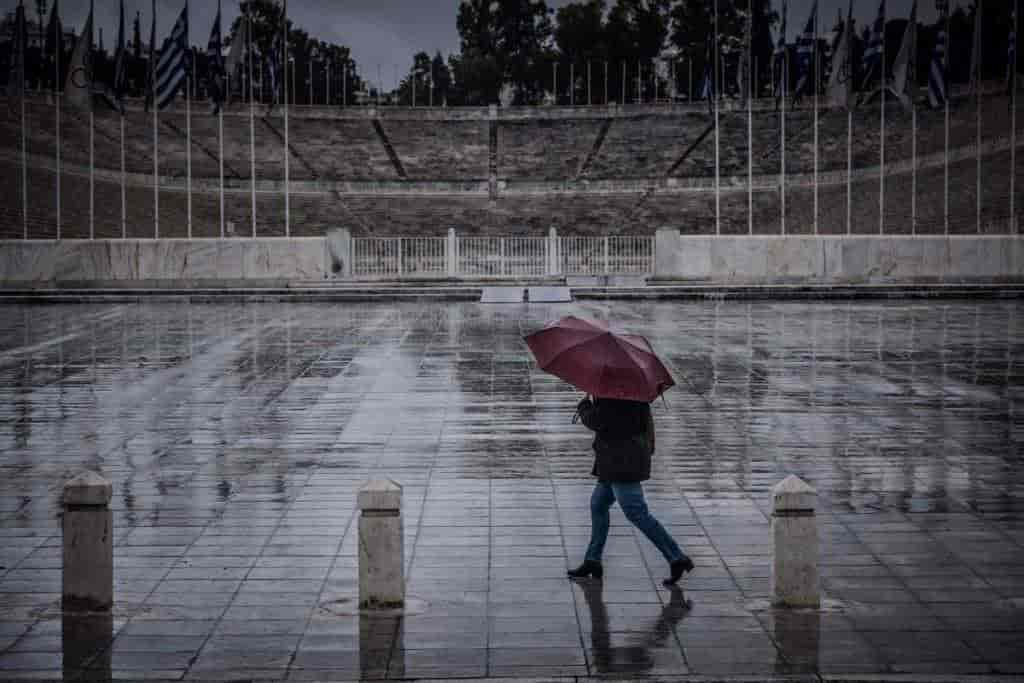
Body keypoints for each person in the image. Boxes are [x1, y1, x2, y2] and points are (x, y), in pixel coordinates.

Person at [568, 396, 694, 586]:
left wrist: (584, 406)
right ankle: (593, 560)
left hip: (622, 462)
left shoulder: (615, 394)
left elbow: (598, 421)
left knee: (636, 513)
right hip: (618, 459)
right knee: (598, 505)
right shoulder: (631, 391)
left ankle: (677, 557)